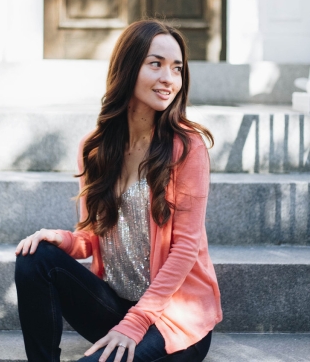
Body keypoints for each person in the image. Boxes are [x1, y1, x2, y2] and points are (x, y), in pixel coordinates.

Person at [15, 20, 222, 362]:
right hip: (114, 308)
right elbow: (91, 238)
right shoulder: (95, 148)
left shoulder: (186, 148)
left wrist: (136, 323)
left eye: (177, 68)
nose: (169, 78)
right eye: (156, 64)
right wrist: (60, 239)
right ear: (127, 67)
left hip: (170, 320)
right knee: (33, 257)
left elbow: (186, 248)